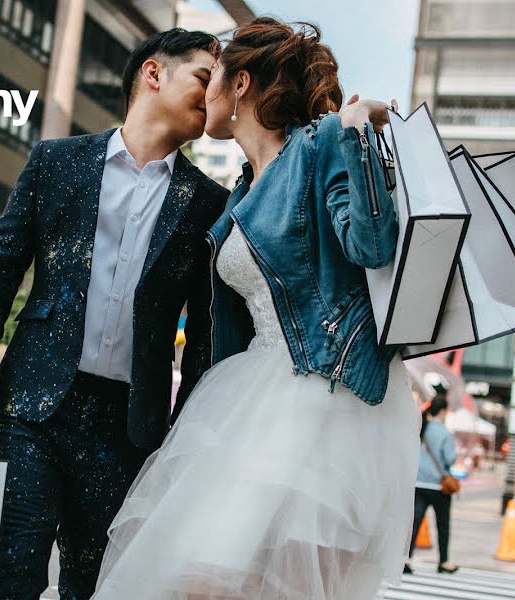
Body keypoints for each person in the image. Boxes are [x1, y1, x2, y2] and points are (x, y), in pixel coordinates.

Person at [94, 18, 420, 600]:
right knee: (200, 583)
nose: (204, 91)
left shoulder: (320, 146)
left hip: (327, 402)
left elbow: (371, 246)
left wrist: (352, 134)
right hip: (252, 396)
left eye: (212, 74)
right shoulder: (242, 190)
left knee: (244, 586)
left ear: (239, 84)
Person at [0, 29, 230, 599]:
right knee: (13, 571)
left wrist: (185, 429)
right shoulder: (57, 162)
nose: (213, 96)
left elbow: (203, 332)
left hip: (129, 427)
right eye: (204, 78)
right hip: (32, 406)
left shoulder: (209, 203)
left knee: (96, 583)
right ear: (154, 74)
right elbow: (1, 264)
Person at [404, 395, 460, 575]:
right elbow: (450, 458)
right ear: (443, 411)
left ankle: (406, 558)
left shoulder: (421, 429)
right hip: (439, 487)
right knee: (443, 525)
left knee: (414, 524)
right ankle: (443, 561)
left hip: (419, 483)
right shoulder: (445, 433)